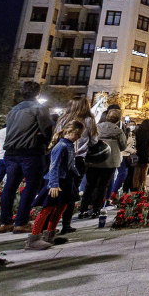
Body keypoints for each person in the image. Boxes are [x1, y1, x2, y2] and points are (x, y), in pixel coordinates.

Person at [0, 81, 54, 234]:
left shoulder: (13, 109)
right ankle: (21, 222)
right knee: (31, 186)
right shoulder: (39, 108)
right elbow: (47, 129)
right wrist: (45, 140)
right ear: (38, 92)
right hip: (30, 151)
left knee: (10, 186)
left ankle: (5, 222)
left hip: (10, 152)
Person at [27, 121, 84, 250]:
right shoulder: (61, 146)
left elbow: (69, 164)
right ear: (68, 132)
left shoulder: (69, 145)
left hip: (66, 180)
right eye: (77, 134)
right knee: (48, 208)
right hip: (56, 181)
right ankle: (34, 238)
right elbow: (54, 166)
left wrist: (75, 173)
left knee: (61, 207)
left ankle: (50, 234)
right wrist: (53, 184)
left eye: (80, 134)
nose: (79, 137)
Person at [51, 97, 97, 233]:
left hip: (61, 155)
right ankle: (66, 224)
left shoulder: (63, 118)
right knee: (71, 191)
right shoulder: (88, 120)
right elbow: (94, 140)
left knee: (58, 189)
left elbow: (57, 135)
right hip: (78, 158)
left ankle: (50, 224)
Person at [80, 108, 127, 218]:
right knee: (103, 186)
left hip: (94, 159)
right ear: (118, 120)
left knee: (90, 185)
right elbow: (123, 146)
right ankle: (97, 209)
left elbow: (89, 140)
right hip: (109, 161)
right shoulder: (118, 130)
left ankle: (83, 209)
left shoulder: (96, 127)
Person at [133, 119, 149, 190]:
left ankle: (136, 187)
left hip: (137, 155)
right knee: (144, 173)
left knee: (137, 173)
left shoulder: (137, 133)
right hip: (146, 156)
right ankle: (143, 187)